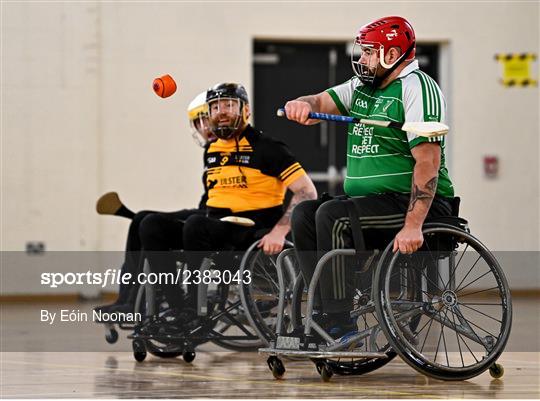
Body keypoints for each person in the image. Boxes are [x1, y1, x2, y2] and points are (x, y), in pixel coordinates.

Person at [284, 16, 455, 333]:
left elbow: (428, 162)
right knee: (305, 215)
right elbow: (320, 101)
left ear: (392, 55)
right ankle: (321, 311)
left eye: (369, 52)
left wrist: (413, 224)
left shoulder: (418, 89)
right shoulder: (361, 87)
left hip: (412, 205)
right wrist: (301, 103)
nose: (362, 59)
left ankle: (337, 320)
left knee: (333, 216)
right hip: (368, 202)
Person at [140, 82, 317, 329]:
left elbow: (307, 191)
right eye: (215, 107)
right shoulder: (211, 150)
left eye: (229, 105)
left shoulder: (267, 148)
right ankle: (178, 307)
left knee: (195, 225)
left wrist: (279, 231)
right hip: (214, 227)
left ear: (245, 111)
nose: (221, 112)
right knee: (151, 225)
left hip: (251, 229)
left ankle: (196, 311)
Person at [93, 91, 215, 315]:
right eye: (198, 122)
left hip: (213, 219)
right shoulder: (211, 151)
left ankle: (137, 301)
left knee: (146, 223)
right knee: (140, 219)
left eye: (204, 120)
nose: (202, 127)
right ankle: (127, 298)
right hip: (203, 211)